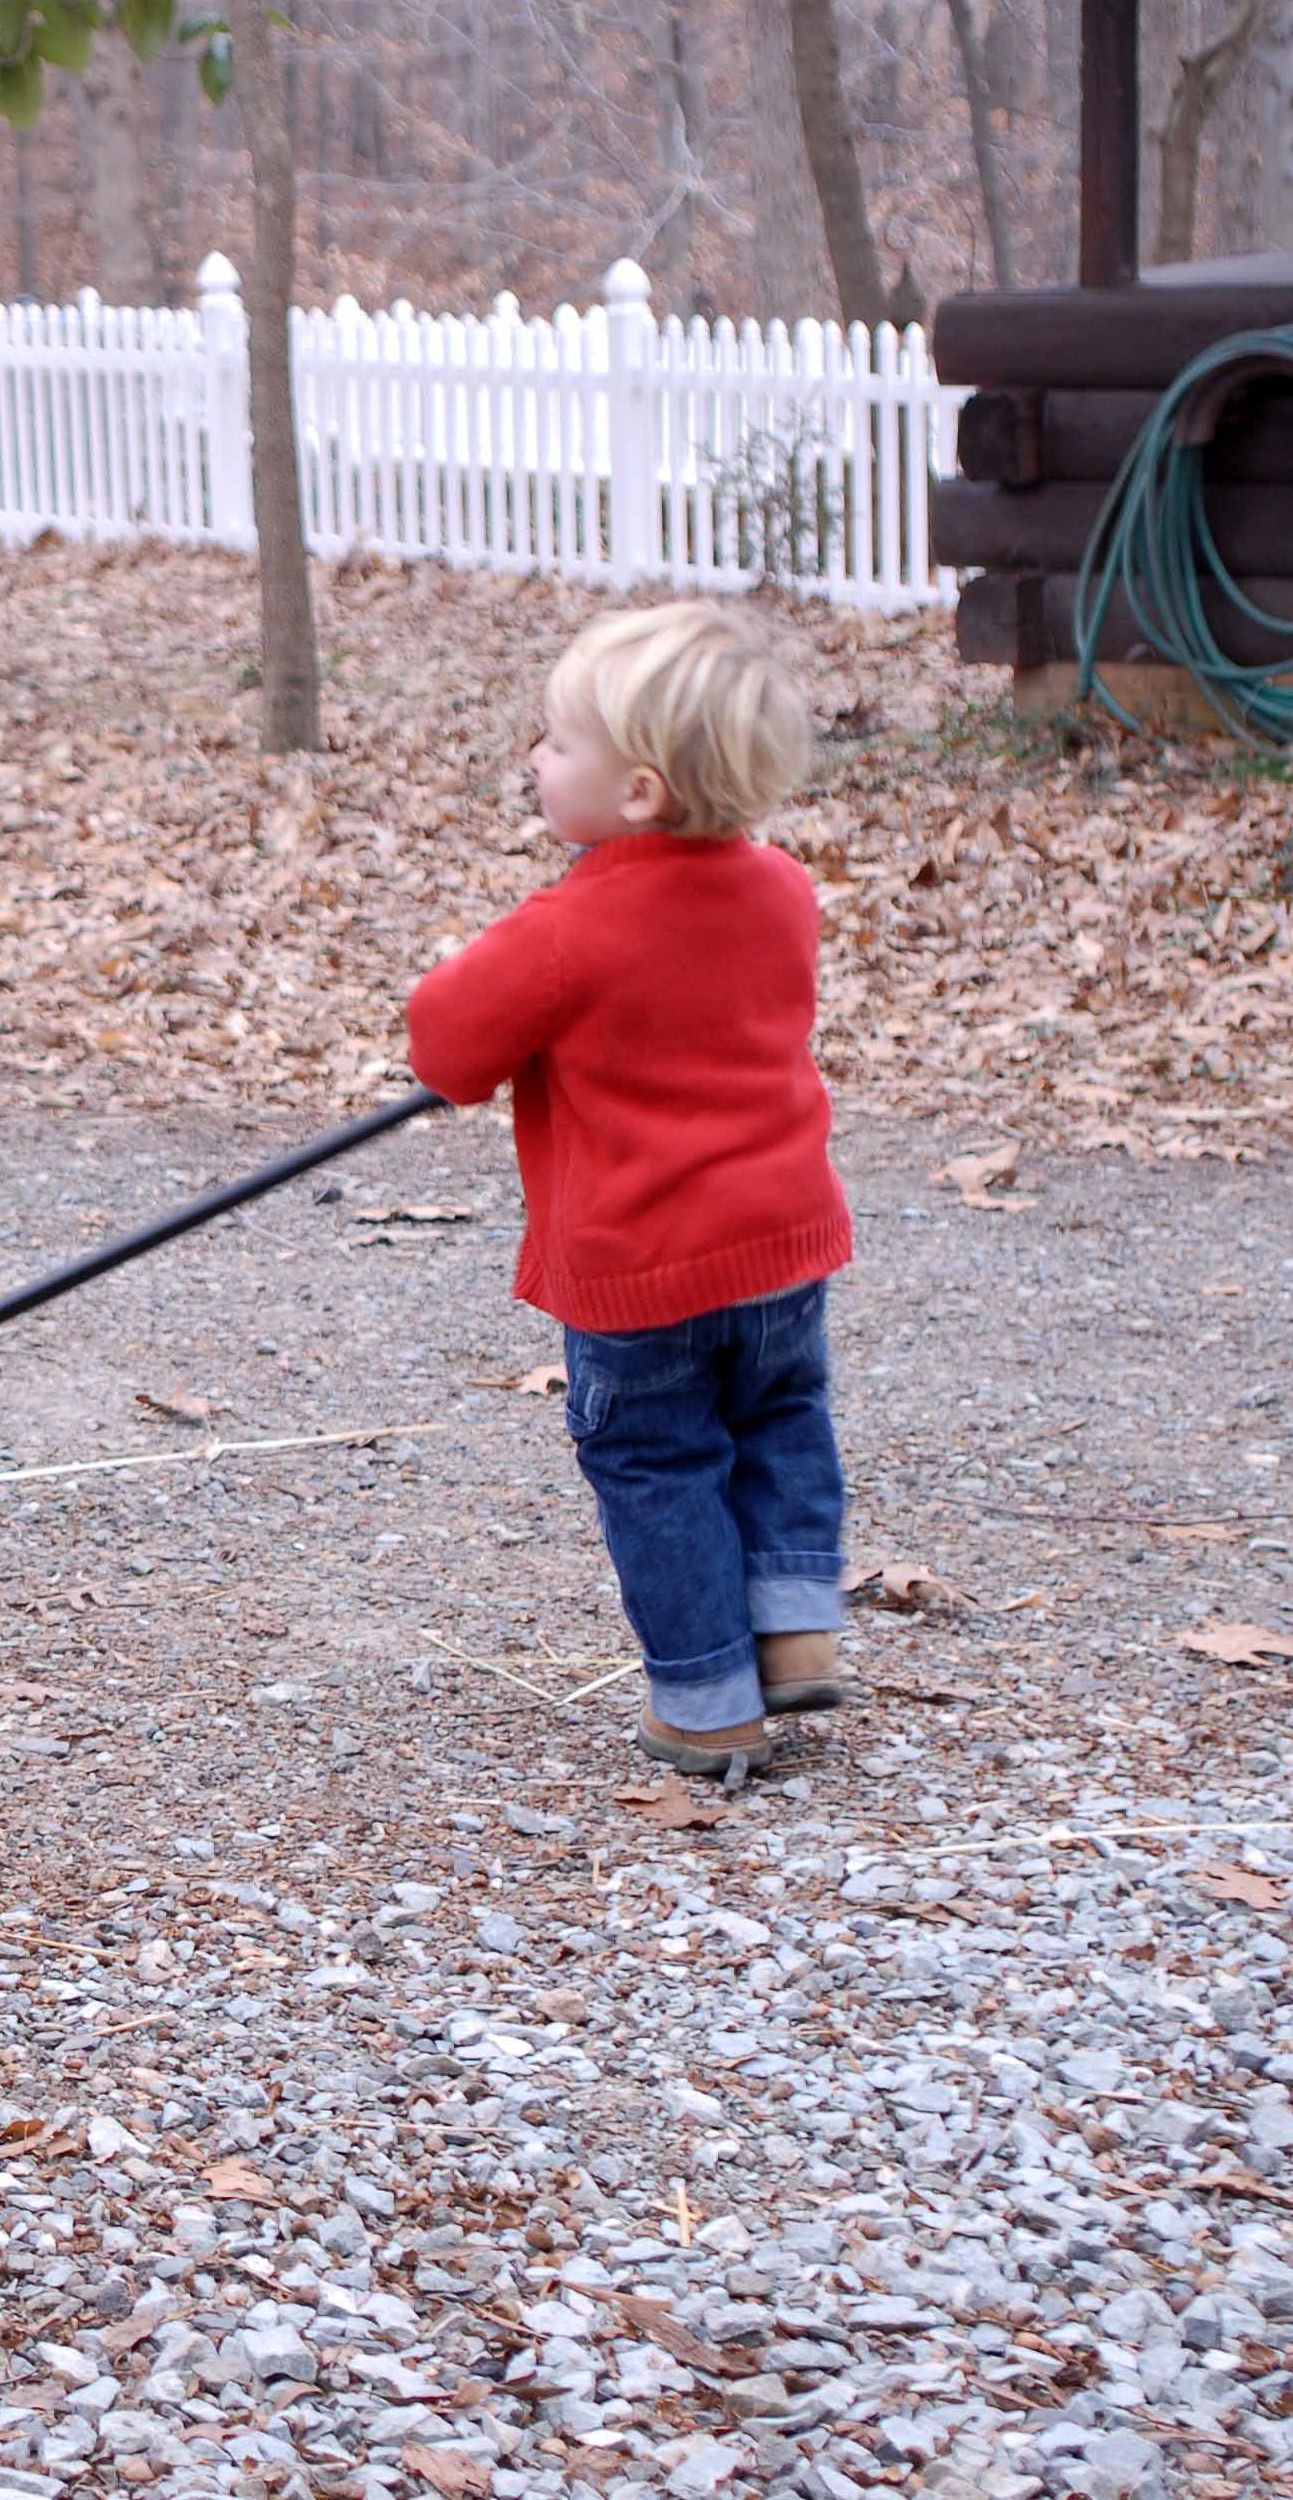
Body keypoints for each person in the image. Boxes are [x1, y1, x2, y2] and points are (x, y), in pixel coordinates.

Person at [404, 603, 855, 1779]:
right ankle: (794, 1627)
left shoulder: (568, 928)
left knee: (657, 1463)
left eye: (556, 742)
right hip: (779, 1244)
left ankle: (705, 1702)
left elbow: (445, 1040)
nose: (534, 757)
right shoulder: (782, 890)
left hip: (640, 1268)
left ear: (639, 791)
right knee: (777, 1418)